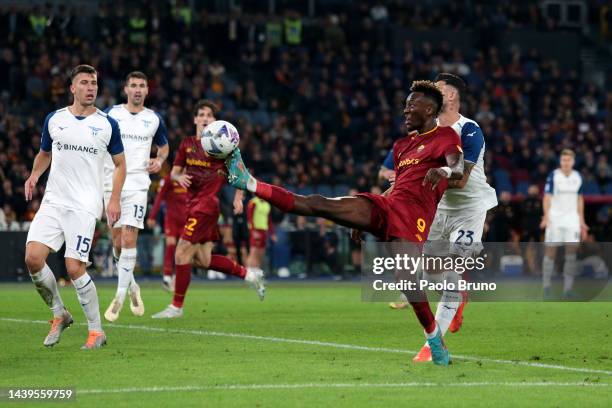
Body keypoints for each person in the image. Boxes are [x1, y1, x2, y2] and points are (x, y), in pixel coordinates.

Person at [226, 81, 464, 366]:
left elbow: (459, 167)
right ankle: (250, 181)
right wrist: (362, 218)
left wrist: (444, 170)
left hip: (414, 218)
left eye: (411, 105)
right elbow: (398, 186)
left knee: (407, 281)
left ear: (428, 109)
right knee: (319, 204)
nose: (405, 110)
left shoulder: (446, 135)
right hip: (386, 205)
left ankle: (434, 339)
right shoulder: (402, 146)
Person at [390, 73, 498, 363]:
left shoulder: (469, 130)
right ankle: (459, 294)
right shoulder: (426, 133)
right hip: (436, 209)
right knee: (429, 271)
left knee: (451, 270)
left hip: (469, 210)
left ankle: (432, 344)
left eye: (437, 90)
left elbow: (460, 180)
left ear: (450, 97)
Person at [24, 64, 126, 350]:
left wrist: (114, 198)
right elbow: (45, 153)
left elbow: (120, 165)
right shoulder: (55, 119)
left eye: (94, 82)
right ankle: (60, 313)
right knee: (33, 258)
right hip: (54, 200)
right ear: (72, 88)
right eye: (84, 82)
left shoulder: (107, 124)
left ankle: (96, 332)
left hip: (84, 204)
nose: (91, 87)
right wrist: (34, 175)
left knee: (74, 267)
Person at [152, 100, 265, 319]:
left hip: (207, 206)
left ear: (215, 121)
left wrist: (239, 198)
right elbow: (174, 172)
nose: (205, 118)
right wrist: (179, 176)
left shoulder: (223, 147)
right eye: (201, 114)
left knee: (182, 251)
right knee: (202, 260)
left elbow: (243, 175)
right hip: (192, 206)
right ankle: (249, 275)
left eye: (209, 115)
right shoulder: (186, 144)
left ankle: (176, 307)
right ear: (195, 119)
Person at [103, 71, 169, 322]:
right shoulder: (111, 115)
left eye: (142, 85)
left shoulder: (153, 119)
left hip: (139, 185)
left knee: (130, 237)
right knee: (118, 242)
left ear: (147, 91)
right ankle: (132, 286)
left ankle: (119, 297)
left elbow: (164, 146)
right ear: (126, 89)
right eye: (133, 85)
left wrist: (159, 159)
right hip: (111, 185)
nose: (138, 89)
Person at [541, 149, 588, 299]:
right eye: (563, 160)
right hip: (555, 220)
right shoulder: (554, 176)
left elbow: (580, 199)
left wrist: (582, 221)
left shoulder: (577, 177)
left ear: (573, 162)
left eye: (568, 160)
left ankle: (567, 290)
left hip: (572, 221)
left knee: (571, 255)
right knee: (550, 254)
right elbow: (547, 198)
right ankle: (546, 287)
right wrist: (546, 216)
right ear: (560, 162)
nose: (566, 163)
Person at [147, 173, 189, 291]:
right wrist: (152, 216)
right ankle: (166, 277)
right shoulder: (169, 179)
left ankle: (177, 277)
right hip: (171, 219)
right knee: (171, 246)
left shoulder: (190, 178)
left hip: (186, 220)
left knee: (182, 250)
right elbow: (160, 197)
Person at [246, 193, 276, 275]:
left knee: (261, 252)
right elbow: (249, 218)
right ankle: (248, 271)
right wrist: (252, 231)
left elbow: (269, 220)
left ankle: (256, 271)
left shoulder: (267, 204)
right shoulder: (253, 202)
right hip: (256, 230)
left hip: (264, 230)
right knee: (253, 251)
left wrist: (272, 233)